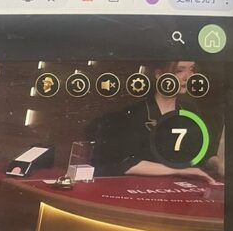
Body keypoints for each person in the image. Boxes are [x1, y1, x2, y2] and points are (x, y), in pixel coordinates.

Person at [89, 60, 223, 182]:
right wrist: (181, 170)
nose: (188, 77)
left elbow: (203, 153)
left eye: (192, 70)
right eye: (179, 70)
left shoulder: (190, 111)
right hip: (139, 187)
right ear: (159, 74)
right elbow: (124, 163)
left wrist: (218, 164)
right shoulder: (134, 113)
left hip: (179, 188)